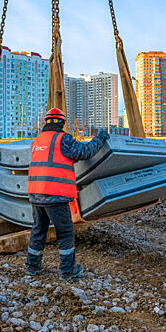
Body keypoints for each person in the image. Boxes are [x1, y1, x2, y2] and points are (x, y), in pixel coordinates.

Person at [26, 108, 110, 281]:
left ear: (46, 122)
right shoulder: (62, 139)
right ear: (61, 122)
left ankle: (32, 266)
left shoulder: (37, 141)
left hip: (36, 194)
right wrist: (100, 138)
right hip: (55, 195)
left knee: (38, 230)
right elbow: (84, 152)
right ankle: (68, 271)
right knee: (64, 233)